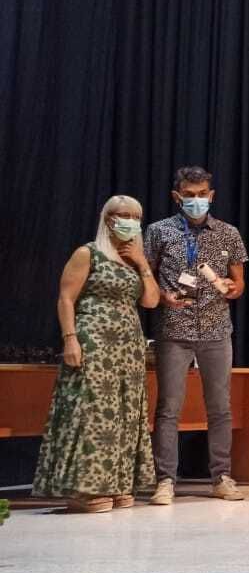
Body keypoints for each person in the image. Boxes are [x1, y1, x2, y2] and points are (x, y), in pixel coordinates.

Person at [32, 197, 161, 512]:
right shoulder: (87, 253)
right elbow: (65, 298)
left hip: (128, 347)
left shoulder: (134, 260)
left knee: (126, 414)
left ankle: (116, 483)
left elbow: (151, 302)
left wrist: (143, 264)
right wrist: (70, 340)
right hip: (94, 341)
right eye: (123, 215)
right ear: (108, 218)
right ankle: (84, 489)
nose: (130, 221)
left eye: (136, 216)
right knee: (92, 412)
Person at [145, 166, 248, 504]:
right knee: (168, 408)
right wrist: (163, 297)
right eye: (189, 195)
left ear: (211, 195)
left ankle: (221, 477)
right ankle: (165, 481)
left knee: (220, 407)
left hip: (217, 329)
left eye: (201, 194)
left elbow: (239, 282)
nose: (196, 200)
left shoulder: (228, 233)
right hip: (174, 330)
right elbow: (146, 279)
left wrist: (233, 289)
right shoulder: (158, 231)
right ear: (177, 197)